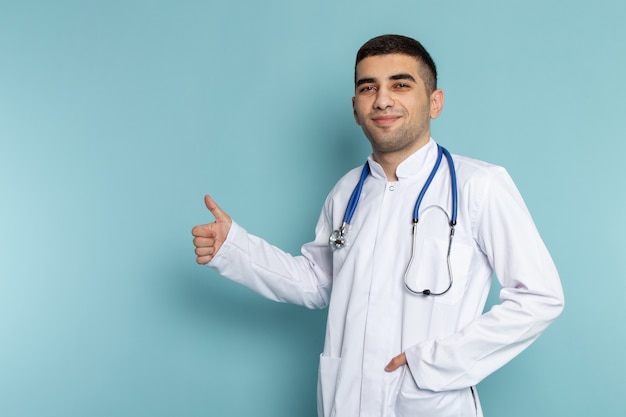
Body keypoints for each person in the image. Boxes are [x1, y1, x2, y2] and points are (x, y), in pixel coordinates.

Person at [192, 34, 564, 417]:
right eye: (368, 88)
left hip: (429, 403)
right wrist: (234, 247)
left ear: (435, 103)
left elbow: (540, 297)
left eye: (400, 85)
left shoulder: (478, 186)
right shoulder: (346, 192)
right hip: (346, 401)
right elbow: (316, 282)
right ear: (355, 108)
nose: (382, 99)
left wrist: (434, 363)